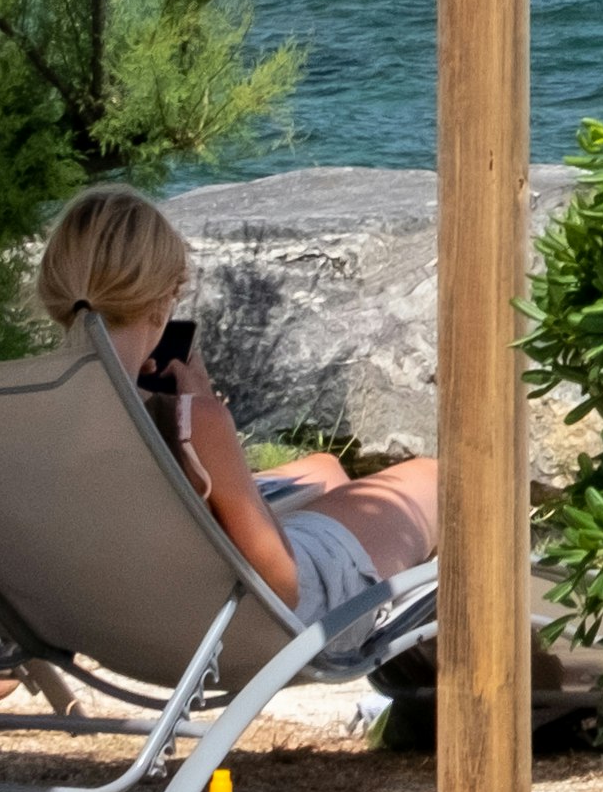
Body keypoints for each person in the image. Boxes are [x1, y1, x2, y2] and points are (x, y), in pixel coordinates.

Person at [31, 185, 437, 643]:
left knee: (323, 468)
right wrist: (203, 412)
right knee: (434, 480)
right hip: (242, 625)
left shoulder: (24, 410)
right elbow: (284, 586)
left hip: (117, 617)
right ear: (165, 297)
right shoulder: (191, 420)